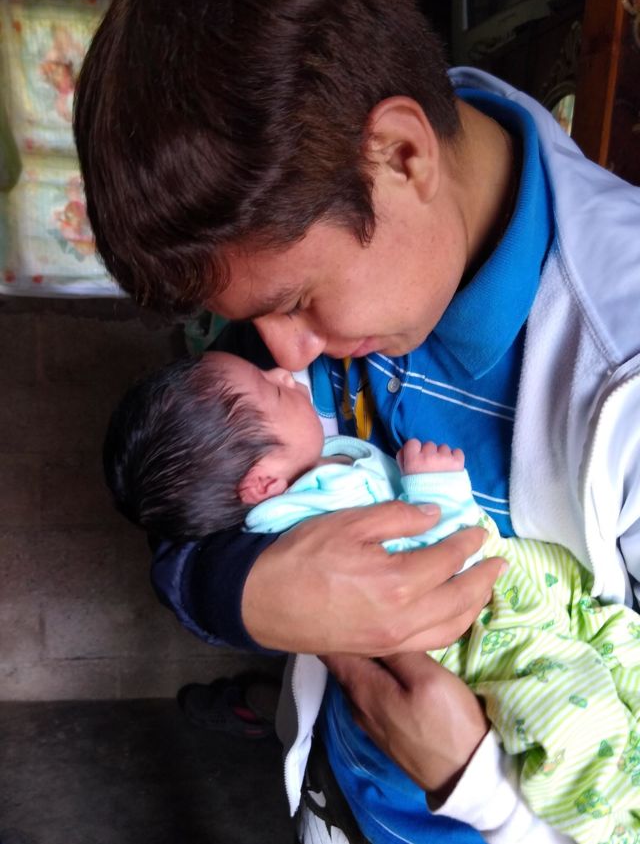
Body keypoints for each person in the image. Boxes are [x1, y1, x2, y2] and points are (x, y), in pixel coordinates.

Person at [73, 0, 640, 842]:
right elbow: (188, 498)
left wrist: (476, 785)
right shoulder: (307, 192)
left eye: (296, 301)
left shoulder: (622, 363)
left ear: (404, 155)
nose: (286, 359)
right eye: (253, 320)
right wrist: (246, 594)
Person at [104, 349, 640, 844]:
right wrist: (436, 490)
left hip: (498, 638)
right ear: (264, 484)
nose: (284, 368)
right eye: (271, 390)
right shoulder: (308, 507)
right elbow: (424, 552)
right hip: (483, 644)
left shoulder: (303, 466)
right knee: (575, 728)